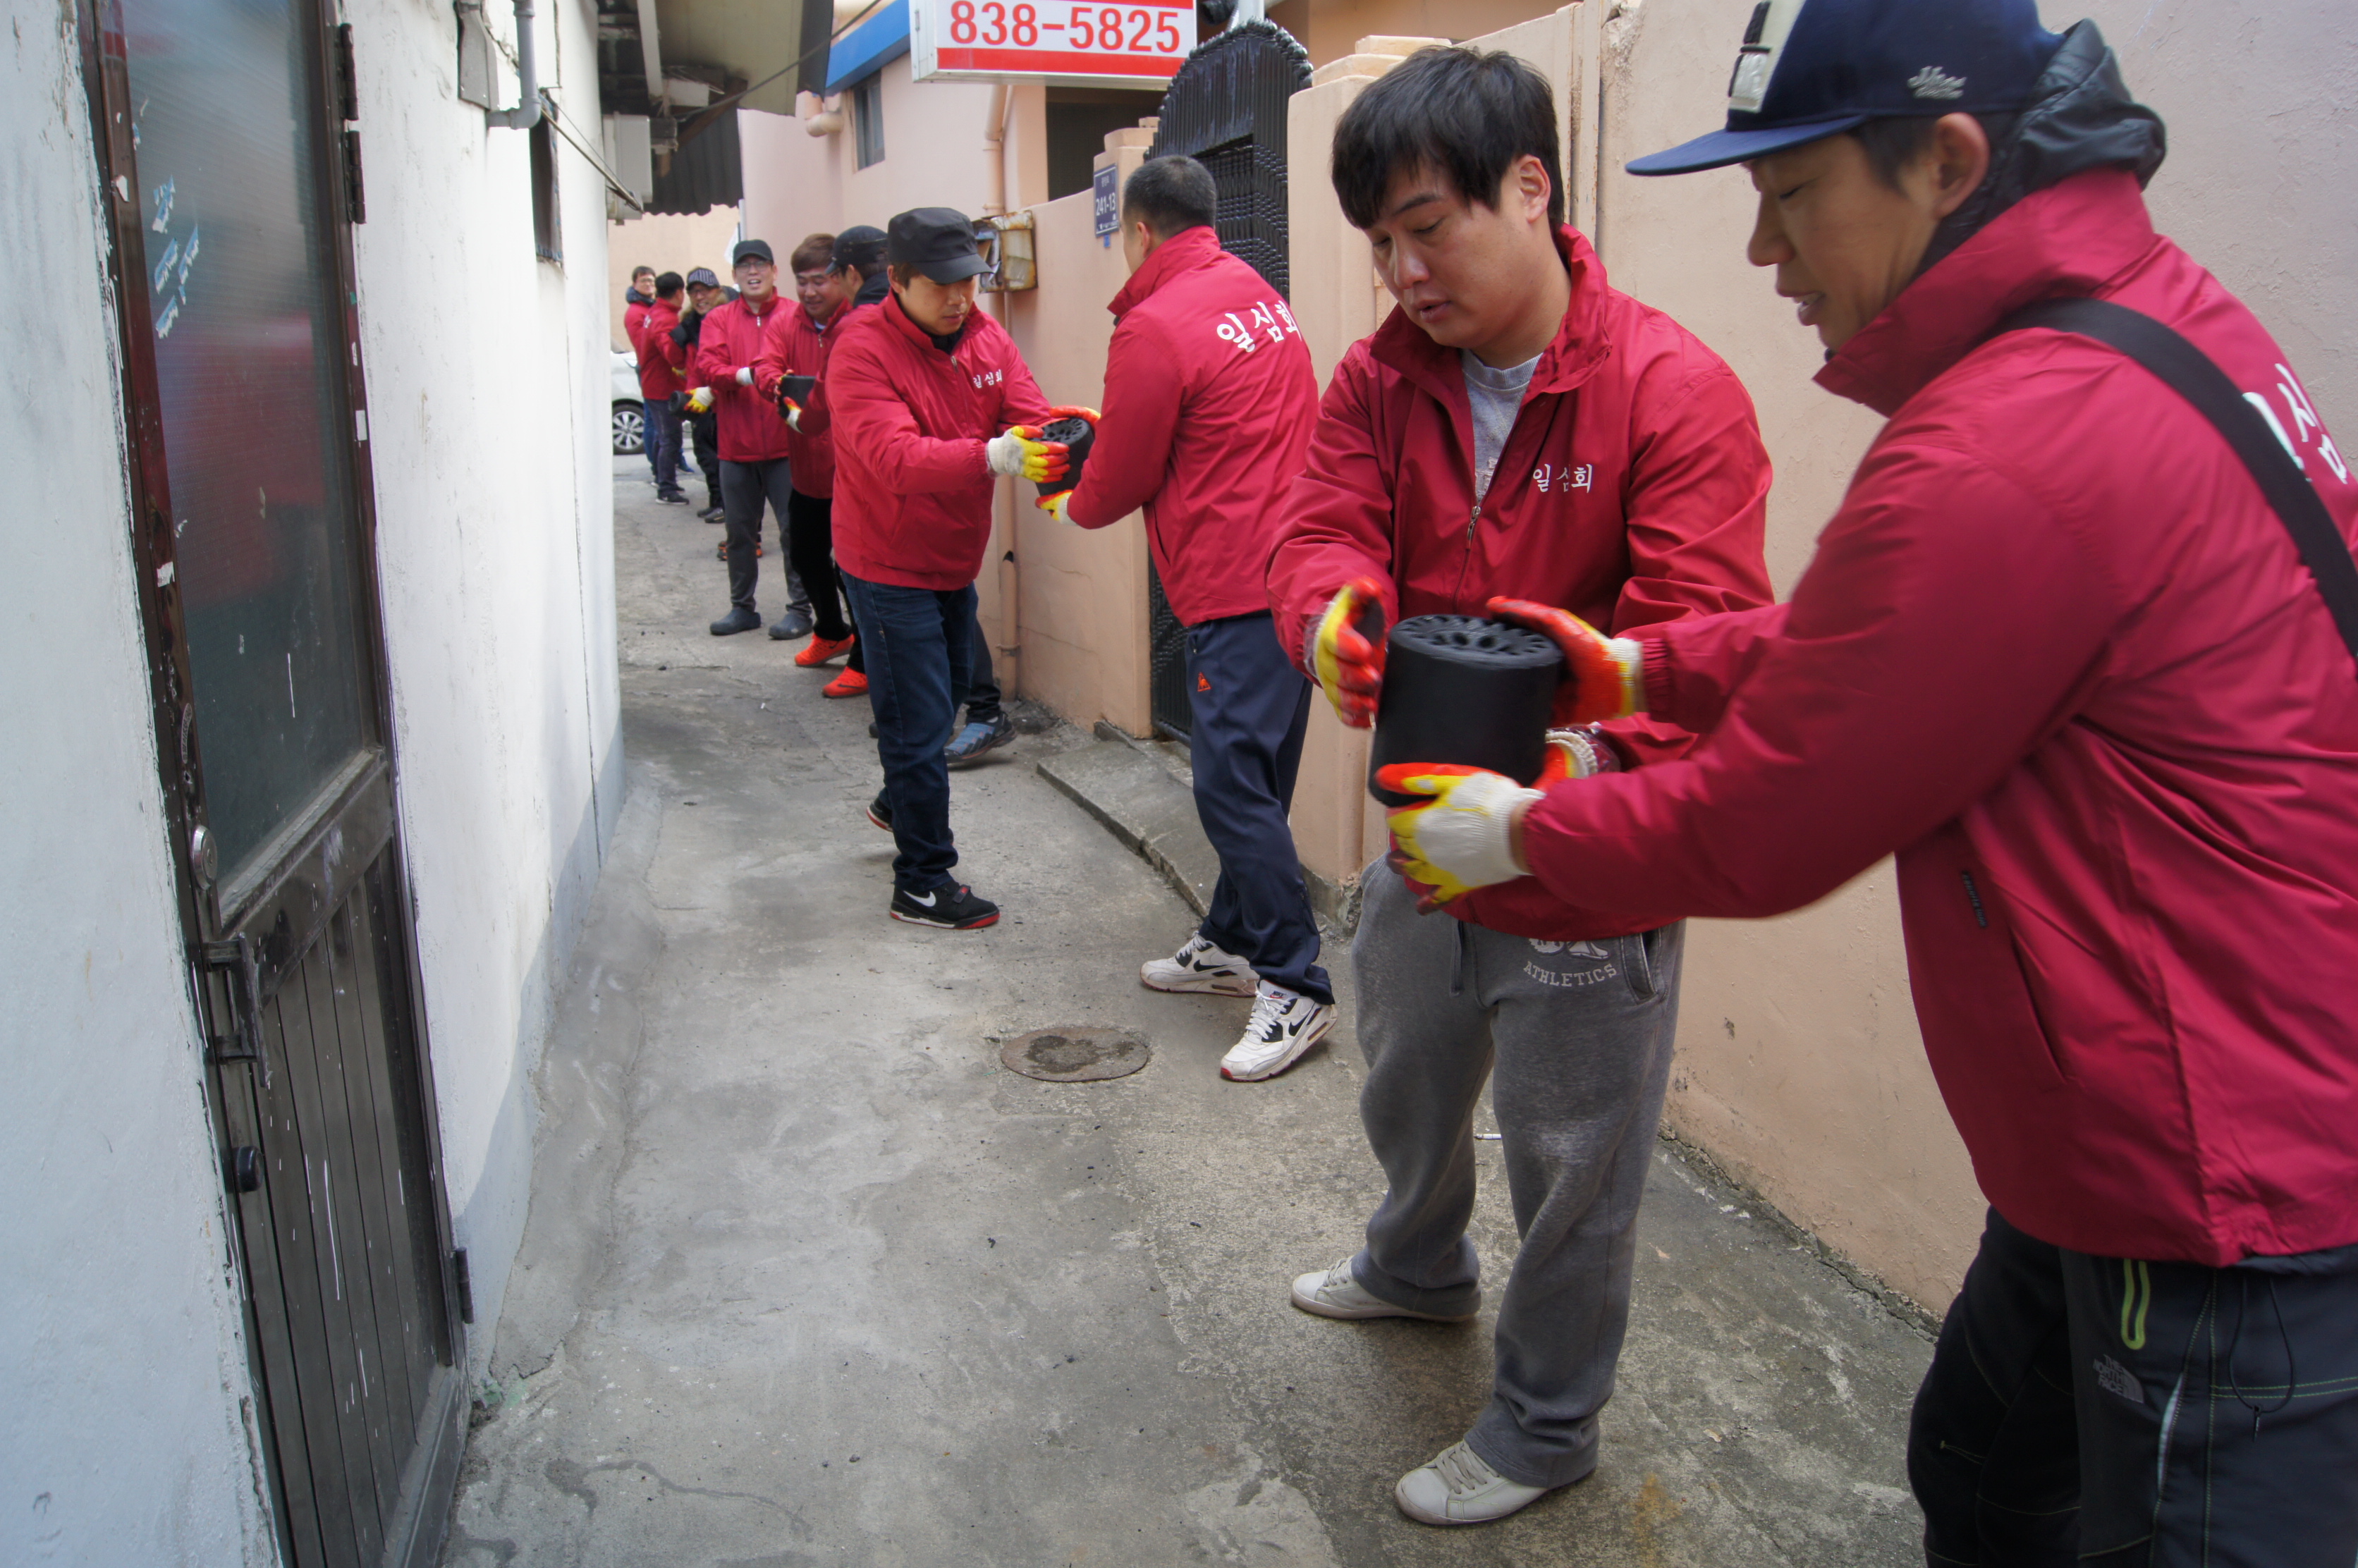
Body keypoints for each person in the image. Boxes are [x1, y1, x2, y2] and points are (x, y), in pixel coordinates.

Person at [1378, 2, 2358, 1560]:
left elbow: (1773, 811)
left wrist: (1519, 838)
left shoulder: (2007, 437)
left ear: (1947, 161)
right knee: (1978, 1458)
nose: (1768, 253)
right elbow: (1896, 645)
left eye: (1792, 198)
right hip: (2111, 1111)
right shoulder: (2135, 326)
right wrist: (1648, 669)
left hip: (2223, 1171)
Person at [1263, 47, 1773, 1526]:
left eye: (1430, 226)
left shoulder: (1671, 389)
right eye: (1380, 243)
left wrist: (1568, 770)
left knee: (1572, 1153)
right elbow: (1320, 522)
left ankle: (1548, 1422)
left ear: (1531, 189)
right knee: (1405, 1067)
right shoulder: (1377, 376)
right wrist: (1329, 620)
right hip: (1423, 832)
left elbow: (1692, 636)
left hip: (1587, 854)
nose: (1404, 271)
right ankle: (1416, 1268)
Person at [1049, 155, 1331, 1081]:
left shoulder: (1154, 325)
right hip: (1296, 571)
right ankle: (1231, 940)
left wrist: (1069, 498)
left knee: (1228, 788)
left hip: (1233, 580)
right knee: (1260, 776)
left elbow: (1121, 475)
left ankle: (1295, 987)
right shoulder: (1257, 289)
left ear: (1138, 231)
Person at [824, 207, 1071, 929]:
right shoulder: (859, 349)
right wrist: (992, 455)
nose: (960, 298)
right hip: (883, 559)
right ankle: (922, 881)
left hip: (951, 556)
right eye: (941, 285)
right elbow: (893, 458)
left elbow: (1026, 411)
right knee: (919, 720)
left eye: (969, 281)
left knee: (947, 695)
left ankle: (899, 798)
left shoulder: (984, 335)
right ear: (896, 281)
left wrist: (1063, 452)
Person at [693, 240, 812, 639]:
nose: (752, 272)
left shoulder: (796, 315)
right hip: (735, 448)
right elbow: (708, 366)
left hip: (787, 447)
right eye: (744, 266)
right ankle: (742, 608)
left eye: (760, 264)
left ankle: (800, 609)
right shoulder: (718, 319)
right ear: (734, 276)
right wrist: (745, 375)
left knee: (793, 531)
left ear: (775, 271)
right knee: (739, 534)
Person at [753, 233, 857, 661]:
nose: (810, 292)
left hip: (853, 473)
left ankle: (867, 658)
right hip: (807, 473)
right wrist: (776, 386)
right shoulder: (785, 322)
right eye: (803, 282)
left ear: (842, 279)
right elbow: (765, 366)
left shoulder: (858, 322)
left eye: (820, 281)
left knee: (854, 567)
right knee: (805, 554)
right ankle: (831, 631)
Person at [675, 267, 728, 520]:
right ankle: (717, 501)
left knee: (723, 456)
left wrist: (714, 391)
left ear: (717, 292)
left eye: (704, 291)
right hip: (702, 399)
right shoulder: (690, 323)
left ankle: (727, 506)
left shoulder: (726, 318)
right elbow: (690, 364)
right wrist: (692, 395)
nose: (699, 297)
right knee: (705, 453)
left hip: (725, 397)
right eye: (694, 292)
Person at [636, 271, 690, 504]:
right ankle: (666, 489)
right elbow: (672, 355)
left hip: (653, 384)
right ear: (679, 293)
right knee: (671, 438)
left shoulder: (654, 312)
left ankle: (663, 480)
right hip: (663, 387)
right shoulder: (665, 318)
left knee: (662, 436)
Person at [623, 265, 663, 484]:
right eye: (644, 281)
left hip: (655, 368)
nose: (649, 284)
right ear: (635, 284)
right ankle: (656, 466)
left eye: (651, 281)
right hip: (649, 368)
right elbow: (644, 344)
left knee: (656, 421)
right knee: (652, 421)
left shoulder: (650, 307)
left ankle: (665, 465)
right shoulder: (637, 312)